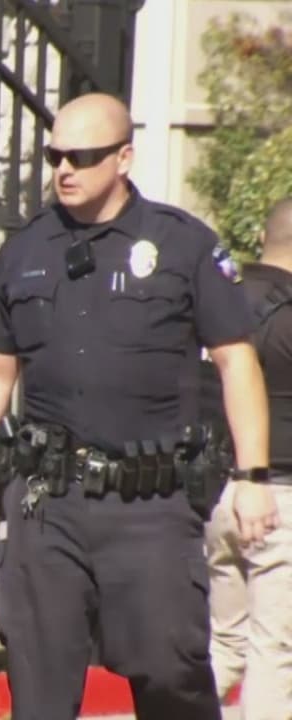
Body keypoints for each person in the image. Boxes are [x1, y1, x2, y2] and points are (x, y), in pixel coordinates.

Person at [0, 91, 278, 720]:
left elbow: (236, 360)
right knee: (38, 686)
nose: (64, 169)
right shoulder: (26, 249)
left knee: (171, 670)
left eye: (82, 157)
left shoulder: (182, 245)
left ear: (123, 158)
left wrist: (253, 477)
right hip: (48, 502)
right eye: (54, 156)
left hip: (151, 503)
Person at [206, 197, 292, 719]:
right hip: (278, 499)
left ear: (264, 238)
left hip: (221, 494)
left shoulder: (220, 300)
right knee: (273, 652)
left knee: (225, 643)